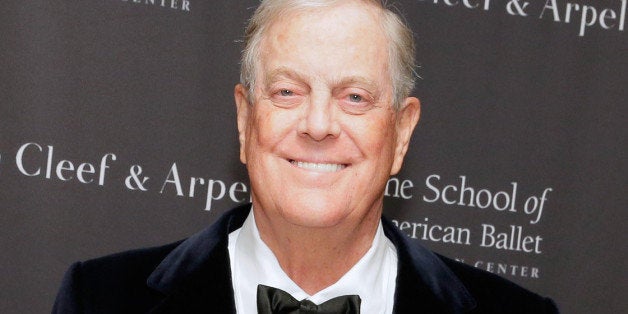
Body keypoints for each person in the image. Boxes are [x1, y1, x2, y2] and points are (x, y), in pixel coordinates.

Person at [53, 0, 559, 313]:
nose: (318, 125)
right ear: (245, 120)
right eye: (288, 92)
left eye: (354, 97)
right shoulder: (99, 300)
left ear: (402, 132)